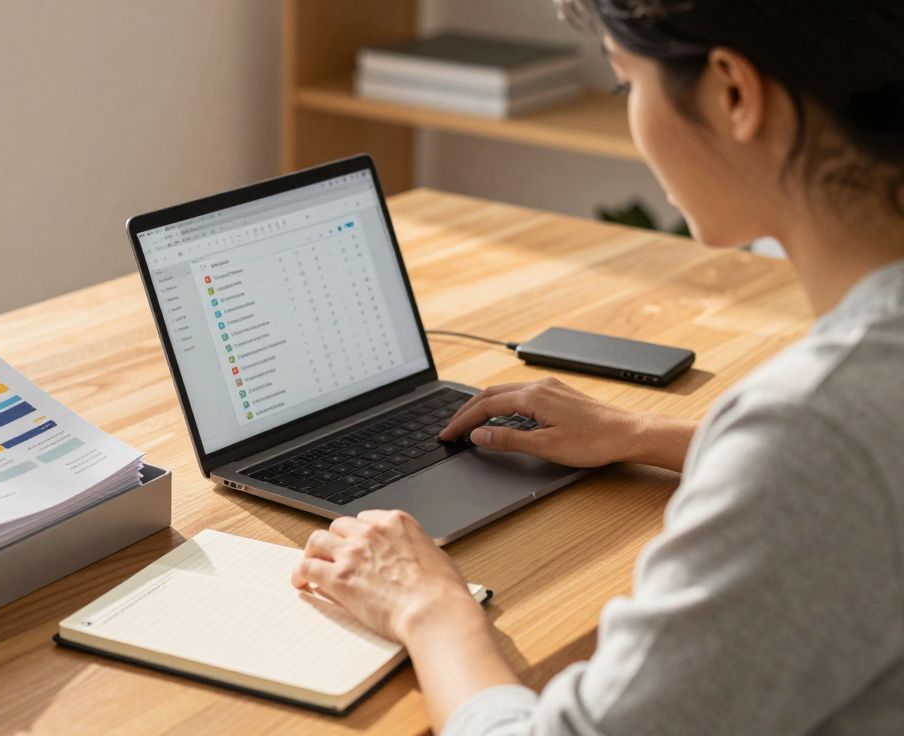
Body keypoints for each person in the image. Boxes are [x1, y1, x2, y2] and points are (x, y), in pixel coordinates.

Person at [291, 1, 904, 733]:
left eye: (625, 85)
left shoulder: (811, 429)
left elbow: (824, 450)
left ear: (733, 93)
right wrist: (646, 433)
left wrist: (429, 607)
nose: (630, 116)